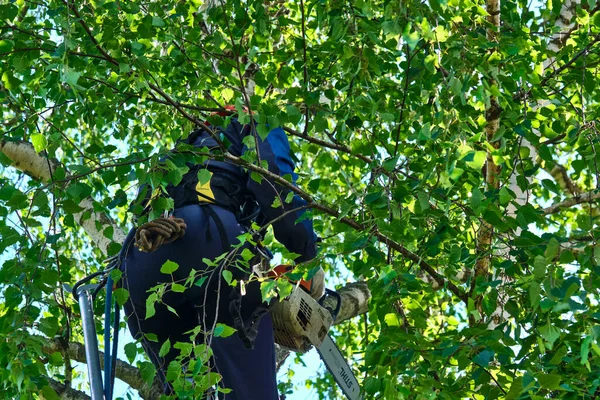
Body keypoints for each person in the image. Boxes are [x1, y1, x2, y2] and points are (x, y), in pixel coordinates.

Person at [119, 117, 319, 399]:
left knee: (188, 391)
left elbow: (140, 207)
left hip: (139, 267)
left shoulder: (176, 152)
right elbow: (274, 182)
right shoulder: (254, 121)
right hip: (210, 240)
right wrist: (308, 256)